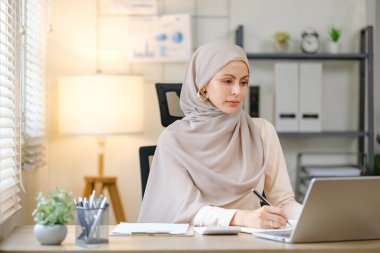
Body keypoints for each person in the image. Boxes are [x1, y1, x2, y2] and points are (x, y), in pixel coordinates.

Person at [138, 41, 302, 229]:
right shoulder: (173, 139)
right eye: (227, 81)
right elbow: (188, 210)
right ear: (203, 85)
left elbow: (282, 203)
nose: (237, 91)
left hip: (251, 244)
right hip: (196, 245)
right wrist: (243, 218)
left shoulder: (262, 131)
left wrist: (314, 216)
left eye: (244, 82)